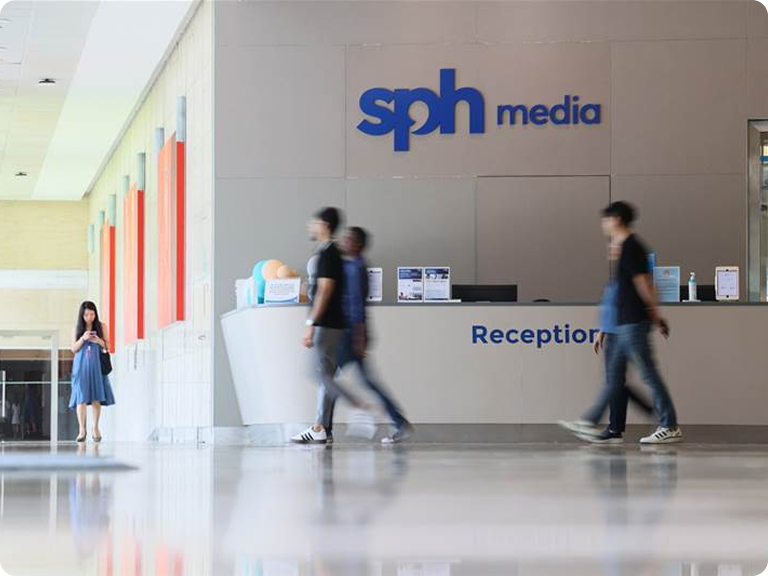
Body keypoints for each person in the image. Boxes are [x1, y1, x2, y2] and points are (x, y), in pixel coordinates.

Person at [561, 201, 683, 444]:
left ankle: (669, 425)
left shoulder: (632, 247)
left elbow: (644, 283)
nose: (603, 225)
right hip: (621, 322)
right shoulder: (622, 247)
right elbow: (620, 292)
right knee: (614, 377)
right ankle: (591, 421)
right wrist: (606, 327)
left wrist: (655, 315)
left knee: (648, 374)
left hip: (633, 322)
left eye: (606, 220)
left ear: (616, 219)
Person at [324, 227, 414, 445]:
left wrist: (358, 337)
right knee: (363, 382)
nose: (344, 242)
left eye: (348, 240)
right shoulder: (353, 266)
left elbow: (357, 305)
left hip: (349, 334)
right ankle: (399, 423)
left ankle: (324, 429)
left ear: (357, 244)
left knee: (326, 377)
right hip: (352, 334)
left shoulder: (356, 268)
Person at [291, 208, 367, 445]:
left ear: (324, 224)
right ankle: (323, 428)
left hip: (327, 324)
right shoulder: (329, 253)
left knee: (319, 373)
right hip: (334, 324)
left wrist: (311, 323)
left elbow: (325, 290)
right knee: (325, 374)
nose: (310, 226)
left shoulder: (328, 254)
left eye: (313, 222)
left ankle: (358, 406)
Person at [565, 243, 653, 444]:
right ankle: (616, 427)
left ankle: (600, 422)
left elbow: (621, 306)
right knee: (616, 383)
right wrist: (601, 332)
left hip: (620, 332)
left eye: (616, 245)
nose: (611, 247)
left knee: (615, 383)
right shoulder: (617, 279)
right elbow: (609, 308)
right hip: (613, 333)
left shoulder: (627, 279)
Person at [70, 301, 115, 443]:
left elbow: (108, 346)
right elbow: (73, 349)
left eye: (92, 314)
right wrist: (83, 338)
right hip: (81, 365)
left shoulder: (102, 326)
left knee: (96, 396)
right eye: (87, 314)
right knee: (81, 397)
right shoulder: (77, 328)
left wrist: (98, 341)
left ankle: (95, 428)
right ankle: (82, 430)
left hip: (96, 364)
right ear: (82, 315)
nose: (90, 317)